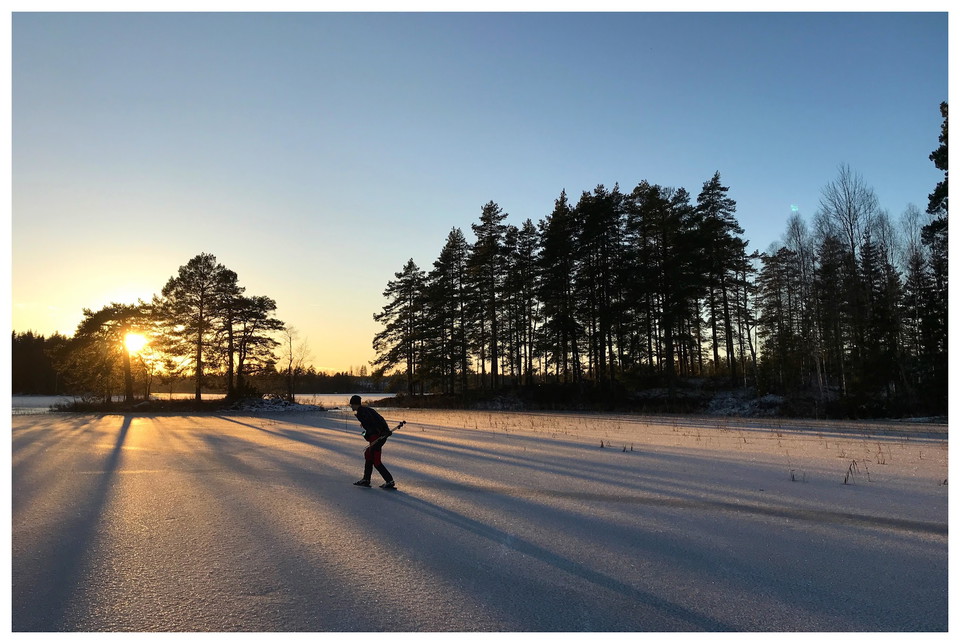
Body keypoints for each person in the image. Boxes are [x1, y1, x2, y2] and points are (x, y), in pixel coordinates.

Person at [349, 395, 396, 489]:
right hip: (376, 436)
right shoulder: (364, 411)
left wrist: (384, 432)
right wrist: (367, 434)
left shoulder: (364, 412)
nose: (350, 406)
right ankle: (366, 479)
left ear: (355, 404)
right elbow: (376, 422)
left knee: (376, 460)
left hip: (378, 437)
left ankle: (389, 481)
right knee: (368, 455)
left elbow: (375, 423)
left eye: (351, 404)